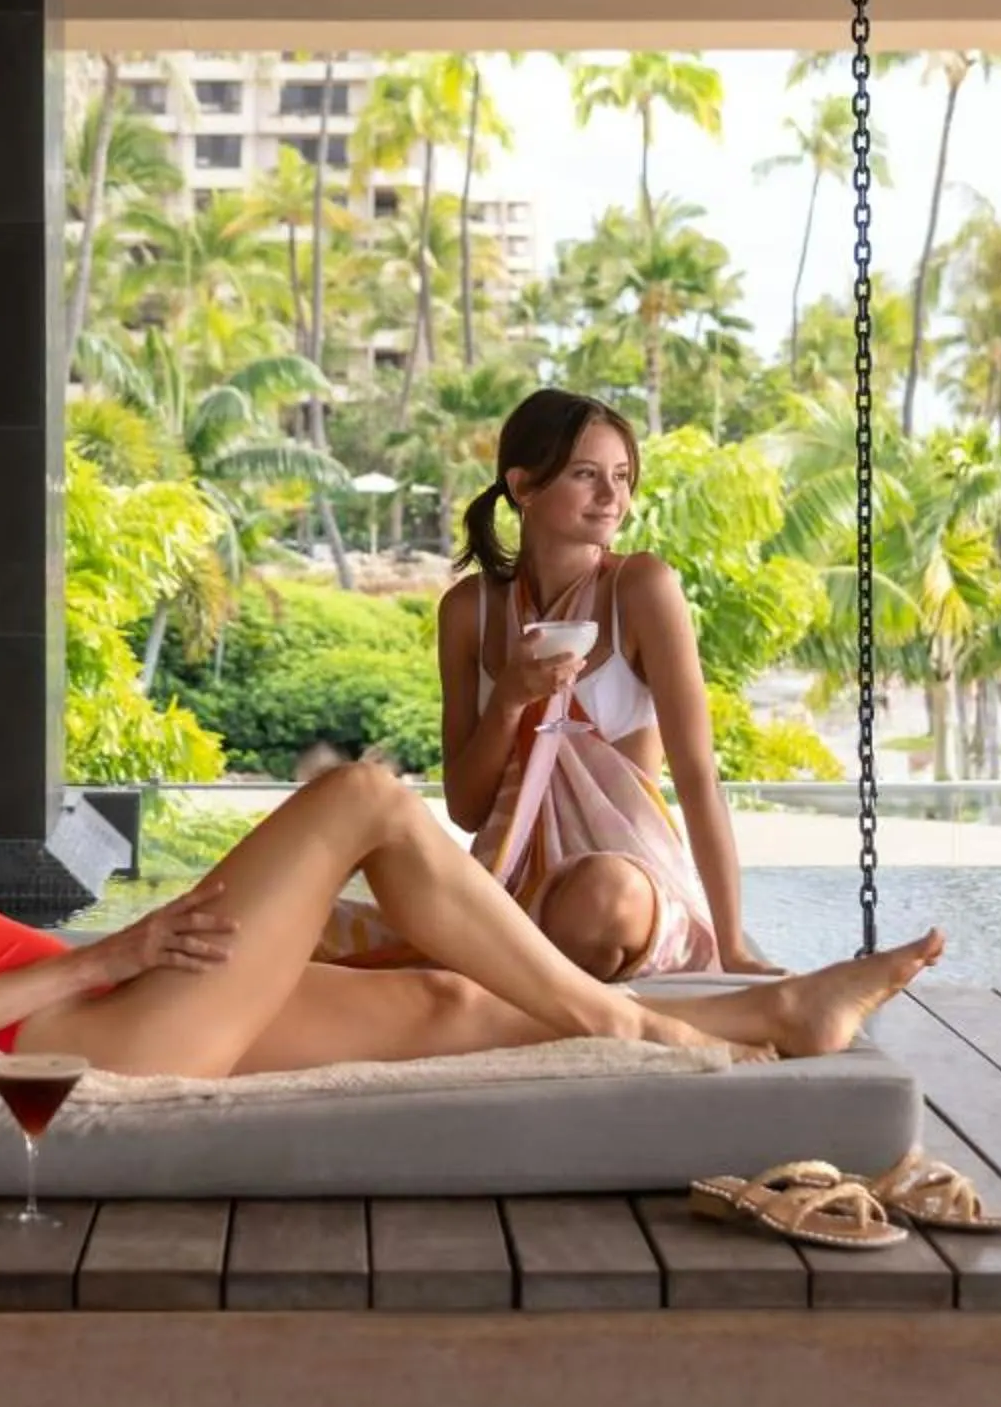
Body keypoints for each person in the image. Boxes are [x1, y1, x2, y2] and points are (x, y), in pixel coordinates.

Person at [0, 526, 945, 1080]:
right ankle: (637, 1025)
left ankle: (780, 1015)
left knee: (452, 1000)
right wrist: (119, 951)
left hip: (95, 995)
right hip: (79, 1033)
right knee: (362, 796)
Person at [321, 390, 769, 982]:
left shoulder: (641, 588)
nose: (612, 496)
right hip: (510, 887)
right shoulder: (470, 611)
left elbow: (698, 776)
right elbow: (467, 809)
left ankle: (496, 971)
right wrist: (509, 700)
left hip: (627, 887)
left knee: (599, 896)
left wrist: (732, 945)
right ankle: (502, 962)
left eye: (621, 476)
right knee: (313, 919)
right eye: (586, 475)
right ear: (523, 486)